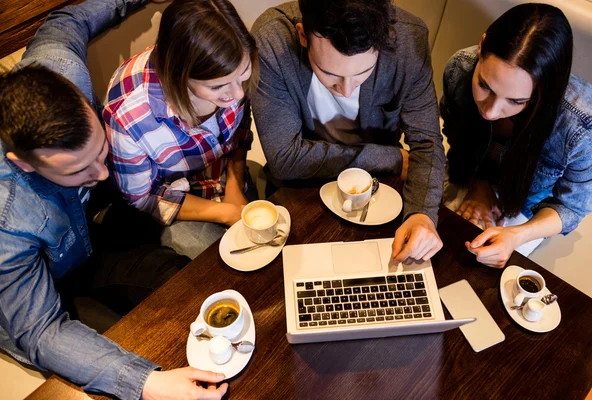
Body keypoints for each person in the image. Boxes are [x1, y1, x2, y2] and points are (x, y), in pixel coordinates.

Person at [0, 1, 228, 399]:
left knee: (184, 286)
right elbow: (42, 331)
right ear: (24, 163)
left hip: (93, 234)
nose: (102, 174)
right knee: (127, 360)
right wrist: (147, 382)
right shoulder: (6, 221)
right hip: (35, 295)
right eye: (78, 171)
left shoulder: (60, 68)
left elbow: (69, 18)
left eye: (100, 150)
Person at [251, 0, 446, 264]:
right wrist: (392, 158)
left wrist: (421, 214)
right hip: (301, 189)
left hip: (379, 189)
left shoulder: (409, 39)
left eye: (362, 73)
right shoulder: (273, 40)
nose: (346, 90)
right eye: (329, 74)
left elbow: (427, 142)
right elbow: (285, 158)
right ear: (302, 34)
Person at [440, 3, 592, 268]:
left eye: (515, 101)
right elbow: (455, 134)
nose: (491, 112)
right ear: (481, 47)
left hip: (530, 207)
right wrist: (478, 185)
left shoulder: (583, 124)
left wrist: (515, 235)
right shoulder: (460, 68)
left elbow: (572, 206)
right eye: (484, 86)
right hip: (468, 174)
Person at [103, 0, 258, 259]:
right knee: (219, 264)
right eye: (218, 87)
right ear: (178, 75)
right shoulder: (128, 114)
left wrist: (234, 187)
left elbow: (240, 129)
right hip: (173, 202)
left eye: (242, 76)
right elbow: (142, 197)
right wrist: (226, 212)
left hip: (224, 177)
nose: (238, 93)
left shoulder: (231, 72)